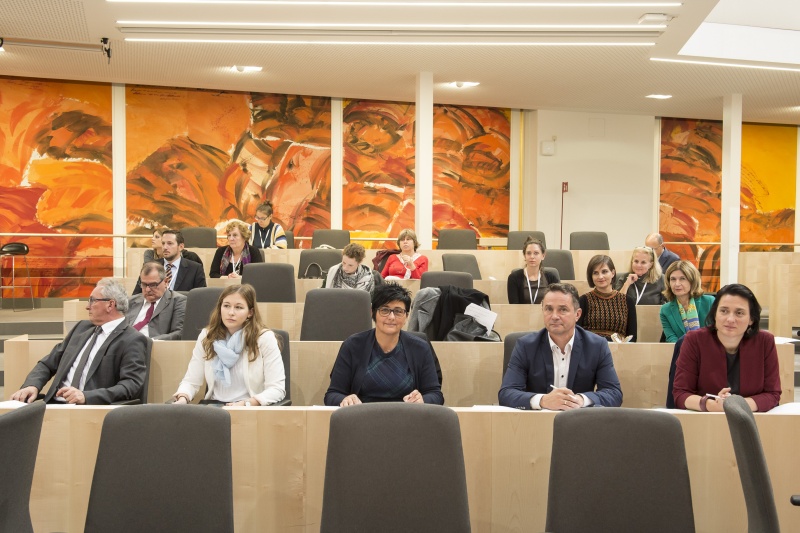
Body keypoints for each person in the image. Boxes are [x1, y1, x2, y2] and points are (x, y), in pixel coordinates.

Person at [11, 278, 147, 405]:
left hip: (89, 409)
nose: (88, 306)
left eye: (93, 300)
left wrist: (86, 396)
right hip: (54, 404)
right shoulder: (81, 328)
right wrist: (32, 385)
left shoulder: (131, 339)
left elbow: (131, 385)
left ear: (110, 304)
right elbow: (47, 364)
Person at [499, 283, 622, 409]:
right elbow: (507, 393)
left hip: (579, 422)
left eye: (563, 309)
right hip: (535, 422)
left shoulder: (597, 346)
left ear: (577, 314)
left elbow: (614, 393)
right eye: (549, 309)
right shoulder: (525, 346)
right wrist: (543, 400)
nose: (554, 316)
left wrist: (581, 400)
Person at [324, 282, 444, 406]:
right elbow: (332, 394)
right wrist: (344, 400)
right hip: (362, 419)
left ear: (406, 316)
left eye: (398, 311)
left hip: (407, 418)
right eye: (385, 310)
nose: (391, 317)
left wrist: (422, 400)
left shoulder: (420, 348)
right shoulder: (353, 345)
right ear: (373, 312)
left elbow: (435, 394)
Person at [672, 284, 780, 412]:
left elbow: (773, 394)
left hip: (752, 420)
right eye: (724, 311)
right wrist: (710, 405)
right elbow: (681, 393)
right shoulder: (694, 340)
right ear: (715, 314)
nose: (730, 319)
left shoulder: (765, 341)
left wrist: (737, 405)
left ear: (751, 319)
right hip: (706, 420)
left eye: (739, 313)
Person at [172, 284, 286, 406]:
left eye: (238, 307)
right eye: (226, 306)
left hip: (249, 409)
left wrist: (246, 404)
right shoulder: (208, 336)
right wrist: (183, 397)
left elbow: (277, 389)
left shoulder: (264, 338)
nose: (231, 312)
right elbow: (191, 381)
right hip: (214, 408)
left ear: (250, 312)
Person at [578, 255, 637, 342]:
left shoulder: (627, 301)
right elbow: (577, 333)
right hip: (591, 349)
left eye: (604, 272)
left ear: (613, 273)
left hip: (619, 350)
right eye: (595, 273)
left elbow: (632, 336)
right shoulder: (583, 300)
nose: (600, 277)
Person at [133, 228, 206, 294]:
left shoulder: (194, 269)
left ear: (181, 247)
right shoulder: (150, 267)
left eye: (170, 243)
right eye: (163, 243)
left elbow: (200, 298)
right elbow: (136, 295)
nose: (165, 247)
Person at [126, 262, 187, 340]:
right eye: (144, 285)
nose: (147, 289)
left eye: (153, 285)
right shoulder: (131, 301)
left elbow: (179, 333)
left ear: (166, 281)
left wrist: (151, 341)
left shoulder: (178, 301)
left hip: (155, 347)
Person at [660, 260, 715, 343]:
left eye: (682, 279)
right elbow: (671, 338)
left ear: (692, 281)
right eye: (673, 279)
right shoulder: (665, 310)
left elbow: (716, 333)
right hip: (681, 353)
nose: (677, 284)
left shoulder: (710, 302)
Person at [507, 236, 560, 304]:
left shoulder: (551, 277)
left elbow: (557, 302)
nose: (532, 257)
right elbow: (514, 306)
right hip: (522, 314)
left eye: (536, 253)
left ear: (543, 256)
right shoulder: (514, 277)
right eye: (528, 253)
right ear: (524, 256)